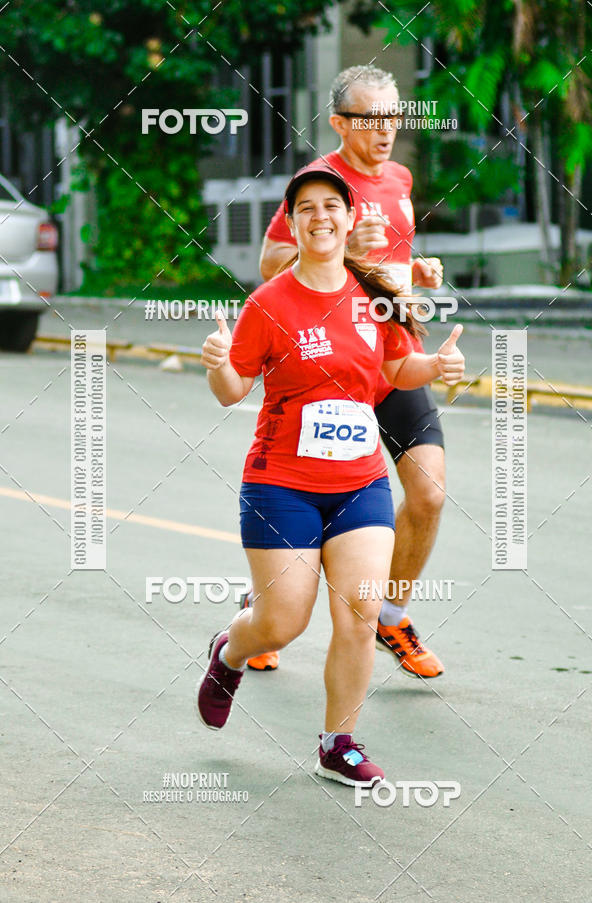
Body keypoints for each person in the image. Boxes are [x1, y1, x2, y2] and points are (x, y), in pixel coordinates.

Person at [197, 166, 465, 786]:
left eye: (331, 207)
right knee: (282, 622)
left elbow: (398, 371)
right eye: (306, 208)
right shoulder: (268, 304)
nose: (320, 216)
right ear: (292, 223)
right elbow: (231, 390)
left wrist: (439, 365)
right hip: (281, 484)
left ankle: (337, 743)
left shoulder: (375, 297)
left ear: (349, 220)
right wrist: (217, 364)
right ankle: (229, 651)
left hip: (359, 484)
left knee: (360, 612)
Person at [243, 64, 448, 677]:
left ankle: (389, 615)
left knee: (430, 492)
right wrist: (345, 249)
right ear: (339, 122)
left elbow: (389, 264)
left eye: (393, 116)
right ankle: (269, 607)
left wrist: (416, 275)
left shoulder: (400, 178)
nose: (386, 129)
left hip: (387, 359)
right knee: (307, 497)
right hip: (329, 368)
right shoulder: (321, 185)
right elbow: (271, 260)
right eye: (370, 118)